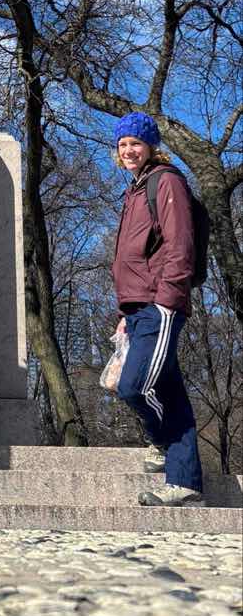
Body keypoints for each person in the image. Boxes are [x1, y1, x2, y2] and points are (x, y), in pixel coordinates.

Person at [111, 112, 203, 507]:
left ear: (150, 146)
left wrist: (166, 298)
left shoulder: (166, 182)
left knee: (134, 385)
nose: (129, 150)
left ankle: (161, 441)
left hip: (159, 304)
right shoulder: (134, 191)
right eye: (123, 145)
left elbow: (180, 244)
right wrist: (126, 313)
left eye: (136, 143)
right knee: (168, 390)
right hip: (138, 308)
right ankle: (185, 482)